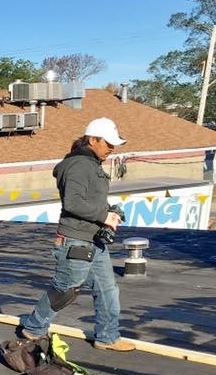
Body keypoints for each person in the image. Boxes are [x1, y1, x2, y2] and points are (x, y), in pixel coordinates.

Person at [19, 117, 136, 352]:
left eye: (113, 144)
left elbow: (89, 200)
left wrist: (109, 211)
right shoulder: (79, 165)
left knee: (107, 289)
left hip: (92, 239)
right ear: (92, 140)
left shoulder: (91, 164)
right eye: (107, 143)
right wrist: (103, 216)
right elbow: (73, 203)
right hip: (76, 240)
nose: (111, 148)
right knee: (65, 290)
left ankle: (107, 336)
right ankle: (33, 327)